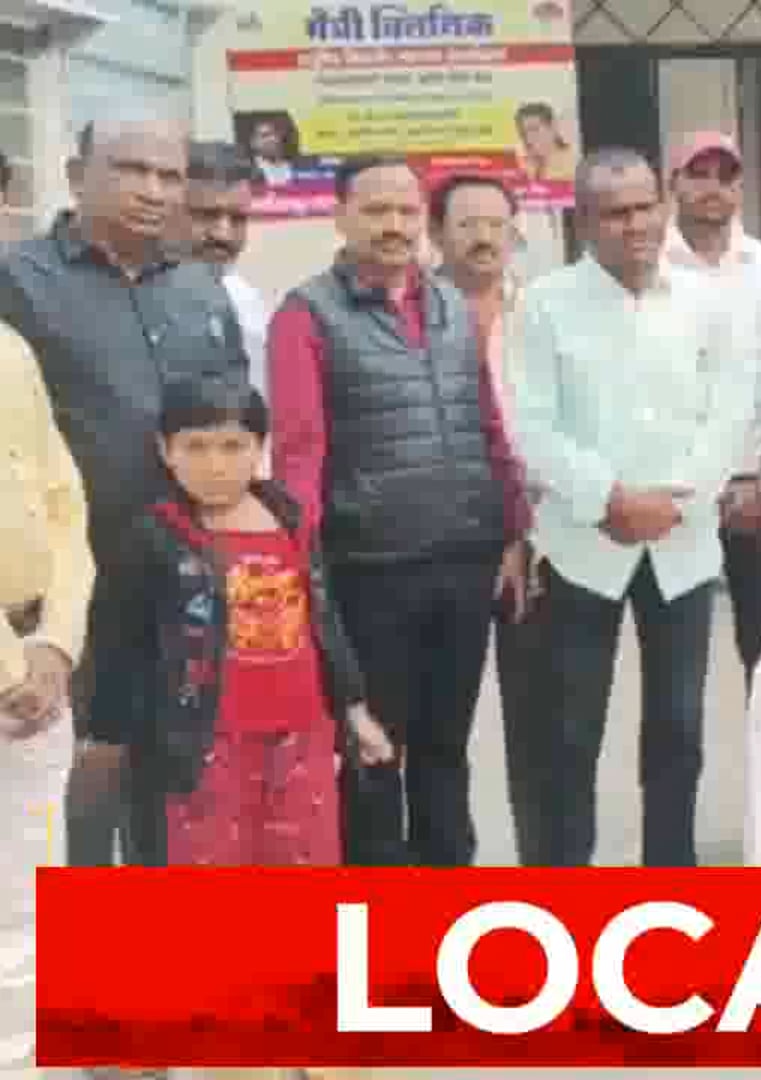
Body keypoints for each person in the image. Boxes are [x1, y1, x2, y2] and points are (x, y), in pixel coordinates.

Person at [0, 110, 248, 873]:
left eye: (170, 175)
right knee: (77, 785)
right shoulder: (17, 280)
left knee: (177, 778)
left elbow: (236, 422)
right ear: (77, 177)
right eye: (132, 170)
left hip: (185, 579)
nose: (153, 190)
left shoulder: (202, 289)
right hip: (75, 588)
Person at [269, 155, 529, 867]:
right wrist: (303, 574)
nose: (394, 225)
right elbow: (299, 455)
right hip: (371, 570)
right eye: (376, 210)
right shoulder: (307, 315)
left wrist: (511, 531)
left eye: (407, 212)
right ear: (340, 216)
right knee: (374, 753)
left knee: (446, 747)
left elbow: (488, 426)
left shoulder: (450, 307)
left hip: (463, 564)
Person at [508, 147, 753, 867]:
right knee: (571, 732)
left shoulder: (708, 300)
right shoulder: (545, 304)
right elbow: (530, 422)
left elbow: (730, 412)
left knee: (678, 729)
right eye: (615, 213)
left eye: (646, 206)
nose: (636, 224)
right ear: (584, 222)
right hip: (584, 546)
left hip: (683, 546)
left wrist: (675, 500)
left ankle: (670, 878)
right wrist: (607, 498)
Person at [119, 376, 396, 863]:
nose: (215, 465)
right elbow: (129, 645)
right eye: (195, 447)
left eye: (233, 446)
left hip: (301, 738)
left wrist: (354, 709)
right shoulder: (157, 537)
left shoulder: (292, 521)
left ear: (260, 447)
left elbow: (325, 622)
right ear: (165, 450)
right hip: (207, 747)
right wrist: (119, 735)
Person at [428, 172, 546, 865]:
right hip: (446, 542)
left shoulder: (542, 311)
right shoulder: (414, 313)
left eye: (497, 224)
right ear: (436, 233)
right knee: (439, 728)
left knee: (541, 724)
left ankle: (541, 865)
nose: (483, 238)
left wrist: (526, 532)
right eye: (467, 224)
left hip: (539, 540)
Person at [662, 130, 761, 687]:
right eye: (698, 174)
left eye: (726, 177)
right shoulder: (646, 266)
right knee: (676, 664)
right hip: (672, 494)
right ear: (673, 183)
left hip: (755, 489)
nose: (713, 188)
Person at [0, 320, 92, 1075]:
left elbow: (65, 506)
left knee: (26, 909)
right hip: (13, 674)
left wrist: (55, 640)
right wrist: (10, 665)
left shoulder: (9, 349)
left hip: (35, 674)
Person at [178, 142, 272, 400]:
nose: (223, 234)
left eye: (238, 219)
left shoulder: (245, 302)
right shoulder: (120, 302)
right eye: (206, 215)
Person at [515, 103, 577, 183]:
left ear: (553, 126)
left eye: (534, 129)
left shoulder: (572, 162)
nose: (530, 137)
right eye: (524, 132)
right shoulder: (525, 158)